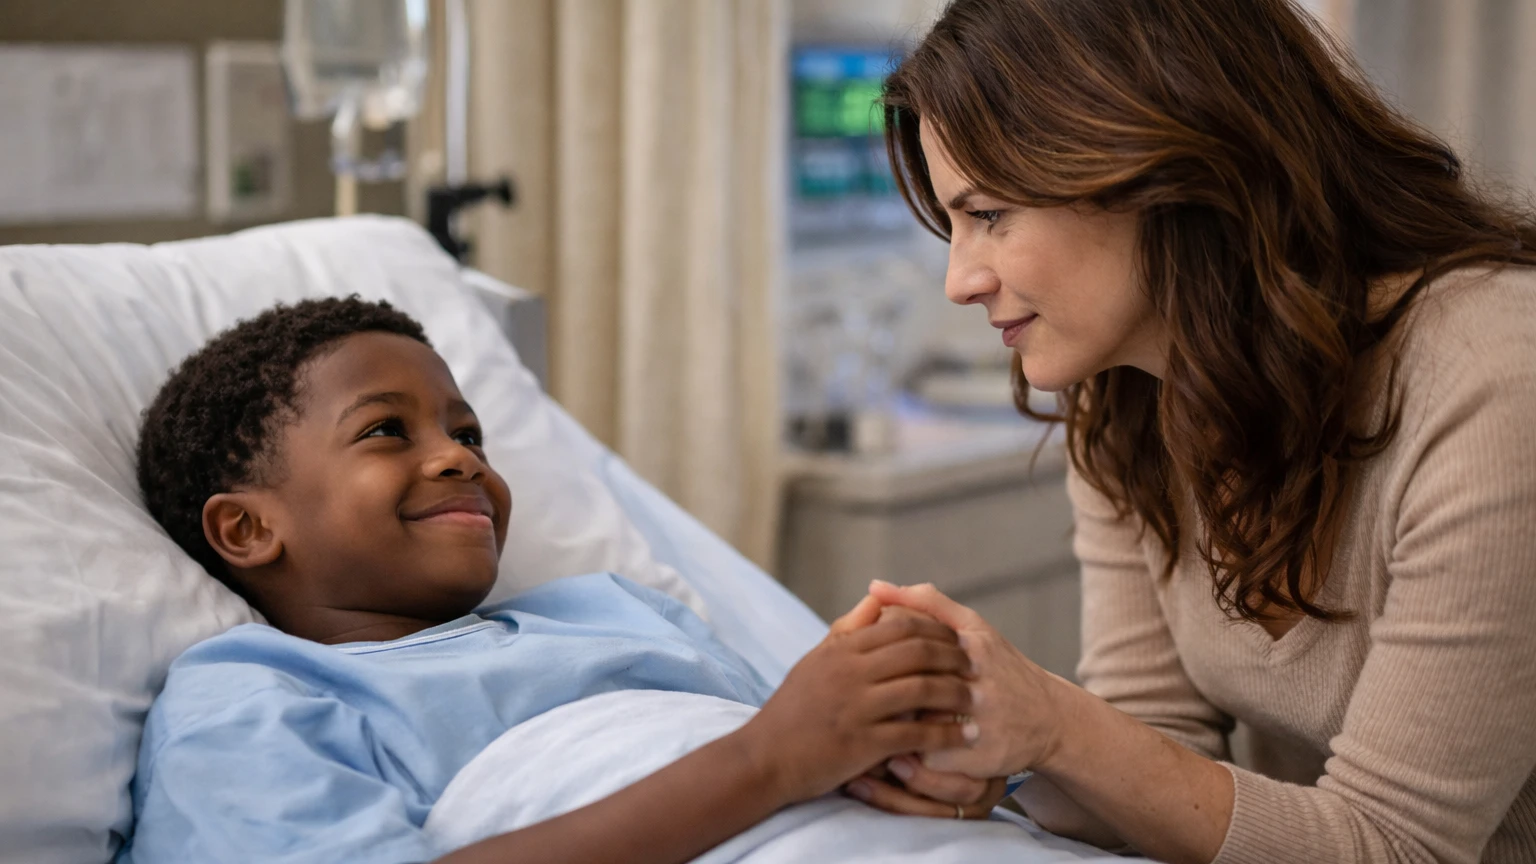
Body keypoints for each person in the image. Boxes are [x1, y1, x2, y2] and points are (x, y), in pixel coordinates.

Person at [848, 1, 1536, 862]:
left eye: (987, 215)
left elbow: (1398, 848)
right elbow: (1157, 739)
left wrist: (1054, 726)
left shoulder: (1494, 376)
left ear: (1152, 156)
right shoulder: (1128, 398)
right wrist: (993, 753)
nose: (960, 279)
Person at [121, 296, 992, 864]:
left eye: (469, 435)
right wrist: (769, 758)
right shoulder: (248, 697)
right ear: (247, 528)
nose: (458, 458)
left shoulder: (610, 609)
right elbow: (776, 755)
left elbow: (807, 753)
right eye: (387, 431)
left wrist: (912, 750)